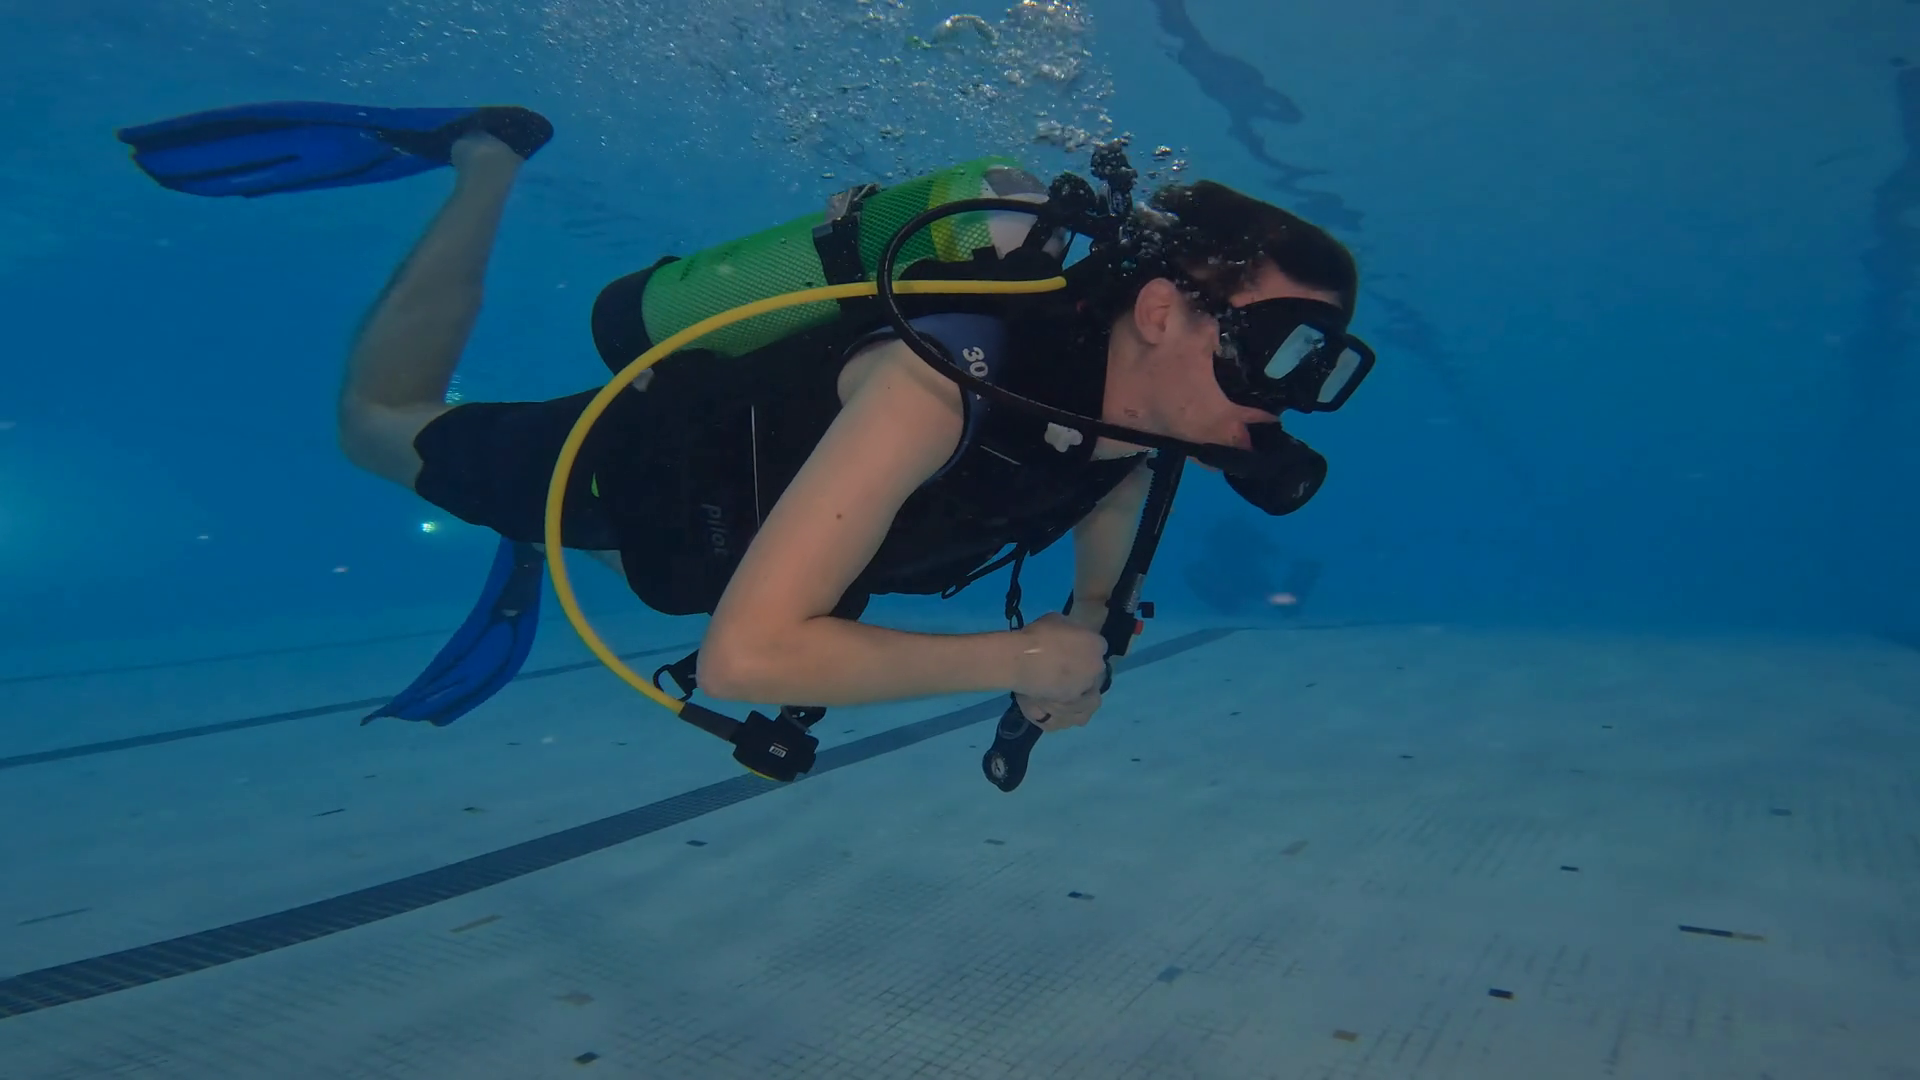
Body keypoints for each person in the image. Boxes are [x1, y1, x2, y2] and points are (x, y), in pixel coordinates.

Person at [115, 101, 1371, 745]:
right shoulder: (937, 379)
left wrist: (1093, 619)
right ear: (1160, 308)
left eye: (1317, 367)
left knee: (651, 565)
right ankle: (485, 156)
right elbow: (747, 663)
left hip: (728, 540)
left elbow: (1106, 479)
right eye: (1275, 348)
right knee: (377, 420)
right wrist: (1020, 661)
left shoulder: (1152, 411)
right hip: (631, 474)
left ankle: (546, 541)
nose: (1283, 396)